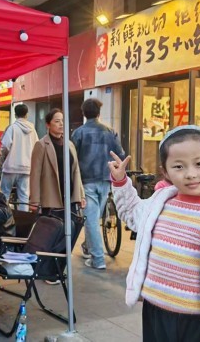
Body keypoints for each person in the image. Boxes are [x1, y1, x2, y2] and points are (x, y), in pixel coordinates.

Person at [108, 125, 200, 341]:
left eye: (199, 164)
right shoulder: (159, 202)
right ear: (165, 172)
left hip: (196, 321)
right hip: (155, 311)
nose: (191, 174)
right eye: (179, 166)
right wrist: (120, 182)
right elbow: (131, 213)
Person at [71, 98, 124, 270]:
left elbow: (72, 159)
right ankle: (88, 247)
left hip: (86, 181)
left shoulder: (78, 133)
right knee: (94, 218)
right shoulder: (110, 131)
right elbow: (121, 154)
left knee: (92, 220)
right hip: (106, 179)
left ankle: (98, 259)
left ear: (84, 113)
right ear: (99, 113)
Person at [30, 109, 85, 213]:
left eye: (63, 121)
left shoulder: (70, 145)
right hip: (51, 199)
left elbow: (76, 170)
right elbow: (35, 174)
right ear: (48, 125)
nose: (61, 124)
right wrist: (34, 200)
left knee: (72, 222)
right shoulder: (41, 145)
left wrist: (81, 195)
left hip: (70, 197)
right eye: (57, 121)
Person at [0, 104, 38, 210]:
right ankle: (23, 218)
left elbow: (5, 147)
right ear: (27, 115)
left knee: (5, 195)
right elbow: (37, 147)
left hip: (10, 167)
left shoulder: (12, 128)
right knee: (24, 197)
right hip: (27, 168)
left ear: (15, 115)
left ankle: (4, 216)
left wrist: (4, 158)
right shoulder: (33, 130)